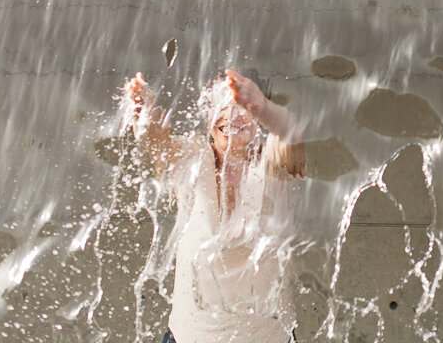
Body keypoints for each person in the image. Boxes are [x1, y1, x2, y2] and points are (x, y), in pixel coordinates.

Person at [122, 67, 307, 343]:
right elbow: (158, 146)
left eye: (241, 107)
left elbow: (292, 132)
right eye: (219, 105)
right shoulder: (195, 156)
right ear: (208, 115)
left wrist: (264, 108)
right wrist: (144, 121)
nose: (230, 115)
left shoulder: (272, 166)